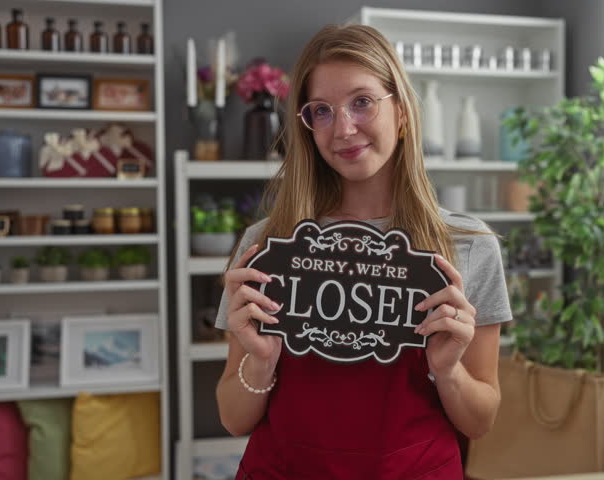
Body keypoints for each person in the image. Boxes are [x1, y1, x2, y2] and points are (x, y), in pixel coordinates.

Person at [214, 23, 512, 480]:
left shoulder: (469, 246)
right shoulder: (266, 245)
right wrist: (261, 359)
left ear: (403, 112)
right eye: (322, 111)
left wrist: (448, 370)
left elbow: (481, 420)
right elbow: (234, 419)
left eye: (362, 102)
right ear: (307, 126)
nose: (344, 128)